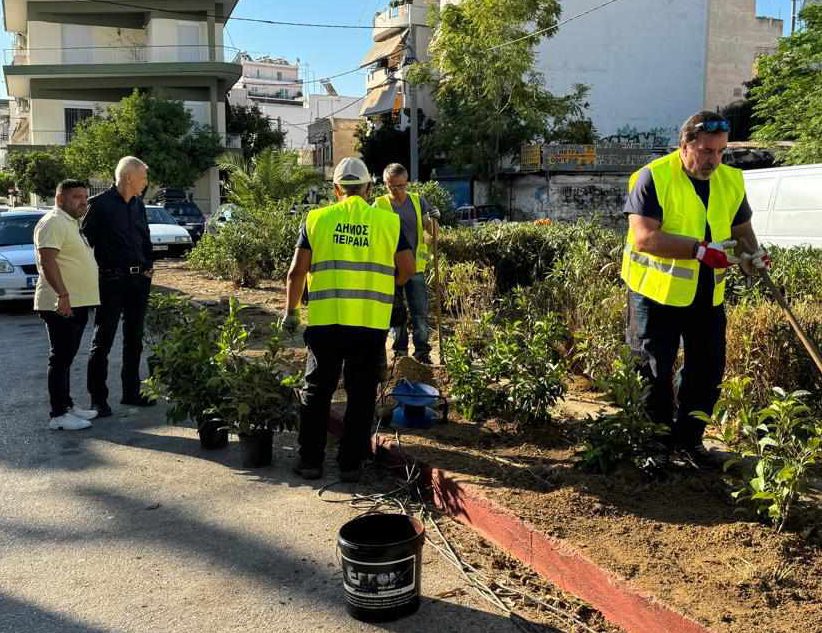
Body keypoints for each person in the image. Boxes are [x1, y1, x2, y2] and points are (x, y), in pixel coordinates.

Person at [621, 111, 769, 466]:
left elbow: (742, 231)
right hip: (654, 294)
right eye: (705, 151)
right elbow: (644, 237)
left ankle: (689, 442)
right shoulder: (653, 177)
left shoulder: (731, 181)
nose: (713, 160)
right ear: (684, 145)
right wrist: (700, 250)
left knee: (707, 369)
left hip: (706, 294)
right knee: (653, 370)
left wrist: (754, 256)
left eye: (720, 152)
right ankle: (653, 446)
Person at [282, 157, 415, 482]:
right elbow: (408, 270)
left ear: (336, 188)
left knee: (317, 391)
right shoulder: (388, 223)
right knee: (361, 394)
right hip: (369, 324)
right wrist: (382, 284)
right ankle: (351, 465)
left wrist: (290, 313)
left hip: (326, 322)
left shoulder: (317, 219)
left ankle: (311, 461)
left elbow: (297, 272)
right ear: (369, 188)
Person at [82, 156, 155, 417]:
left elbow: (144, 238)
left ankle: (131, 392)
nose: (146, 183)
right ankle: (98, 400)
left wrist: (148, 267)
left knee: (134, 339)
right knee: (103, 340)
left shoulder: (138, 205)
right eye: (143, 178)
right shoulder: (98, 206)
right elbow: (83, 246)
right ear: (128, 178)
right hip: (110, 281)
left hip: (138, 282)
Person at [33, 180, 100, 430]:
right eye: (76, 197)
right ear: (60, 198)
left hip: (77, 302)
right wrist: (62, 295)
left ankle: (68, 406)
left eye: (85, 196)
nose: (83, 201)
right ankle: (58, 415)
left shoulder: (70, 222)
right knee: (60, 359)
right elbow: (47, 260)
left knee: (67, 358)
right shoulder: (53, 222)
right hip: (60, 303)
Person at [373, 163, 440, 364]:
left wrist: (434, 221)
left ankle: (422, 352)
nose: (398, 191)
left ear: (407, 182)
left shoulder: (418, 203)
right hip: (390, 270)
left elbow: (431, 232)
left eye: (401, 186)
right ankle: (400, 352)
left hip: (415, 269)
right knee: (396, 314)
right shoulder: (378, 207)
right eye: (392, 186)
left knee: (419, 313)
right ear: (385, 184)